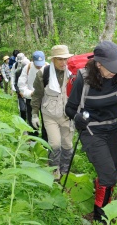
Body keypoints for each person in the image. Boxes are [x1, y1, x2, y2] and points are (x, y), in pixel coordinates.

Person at [65, 41, 117, 224]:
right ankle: (101, 217)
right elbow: (69, 109)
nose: (115, 71)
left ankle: (102, 195)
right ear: (98, 64)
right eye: (111, 68)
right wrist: (76, 118)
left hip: (114, 129)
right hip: (92, 131)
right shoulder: (84, 78)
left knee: (112, 173)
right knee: (108, 175)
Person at [31, 45, 74, 180]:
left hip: (67, 115)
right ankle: (54, 171)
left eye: (65, 59)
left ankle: (65, 171)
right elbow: (37, 95)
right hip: (49, 115)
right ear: (53, 60)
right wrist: (34, 115)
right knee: (55, 144)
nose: (63, 63)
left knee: (67, 145)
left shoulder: (72, 73)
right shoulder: (44, 73)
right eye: (60, 59)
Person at [18, 51, 48, 141]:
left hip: (45, 99)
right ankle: (33, 141)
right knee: (32, 120)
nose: (39, 66)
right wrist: (29, 93)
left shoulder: (48, 67)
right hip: (31, 98)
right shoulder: (27, 68)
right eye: (37, 64)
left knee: (46, 121)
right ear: (33, 61)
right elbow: (21, 85)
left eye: (41, 64)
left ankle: (45, 142)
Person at [14, 58, 30, 123]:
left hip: (30, 94)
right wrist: (19, 92)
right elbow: (16, 84)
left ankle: (30, 125)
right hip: (21, 94)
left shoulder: (32, 72)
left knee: (29, 110)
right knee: (22, 109)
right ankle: (23, 123)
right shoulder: (18, 72)